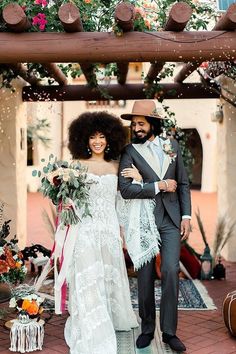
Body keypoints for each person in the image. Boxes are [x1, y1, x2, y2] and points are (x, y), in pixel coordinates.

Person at [118, 100, 191, 352]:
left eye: (141, 123)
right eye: (134, 124)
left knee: (170, 270)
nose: (136, 128)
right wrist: (156, 185)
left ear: (153, 124)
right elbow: (125, 190)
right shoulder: (129, 152)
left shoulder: (172, 146)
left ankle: (169, 332)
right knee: (146, 275)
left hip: (171, 219)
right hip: (143, 220)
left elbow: (182, 183)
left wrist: (187, 216)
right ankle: (147, 328)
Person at [64, 111, 138, 354]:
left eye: (102, 136)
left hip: (108, 229)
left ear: (110, 139)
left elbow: (125, 200)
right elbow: (65, 199)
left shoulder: (117, 167)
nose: (97, 141)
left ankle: (110, 317)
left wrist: (137, 178)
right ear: (84, 139)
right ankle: (92, 325)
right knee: (88, 275)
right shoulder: (74, 166)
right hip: (84, 229)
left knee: (107, 276)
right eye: (92, 137)